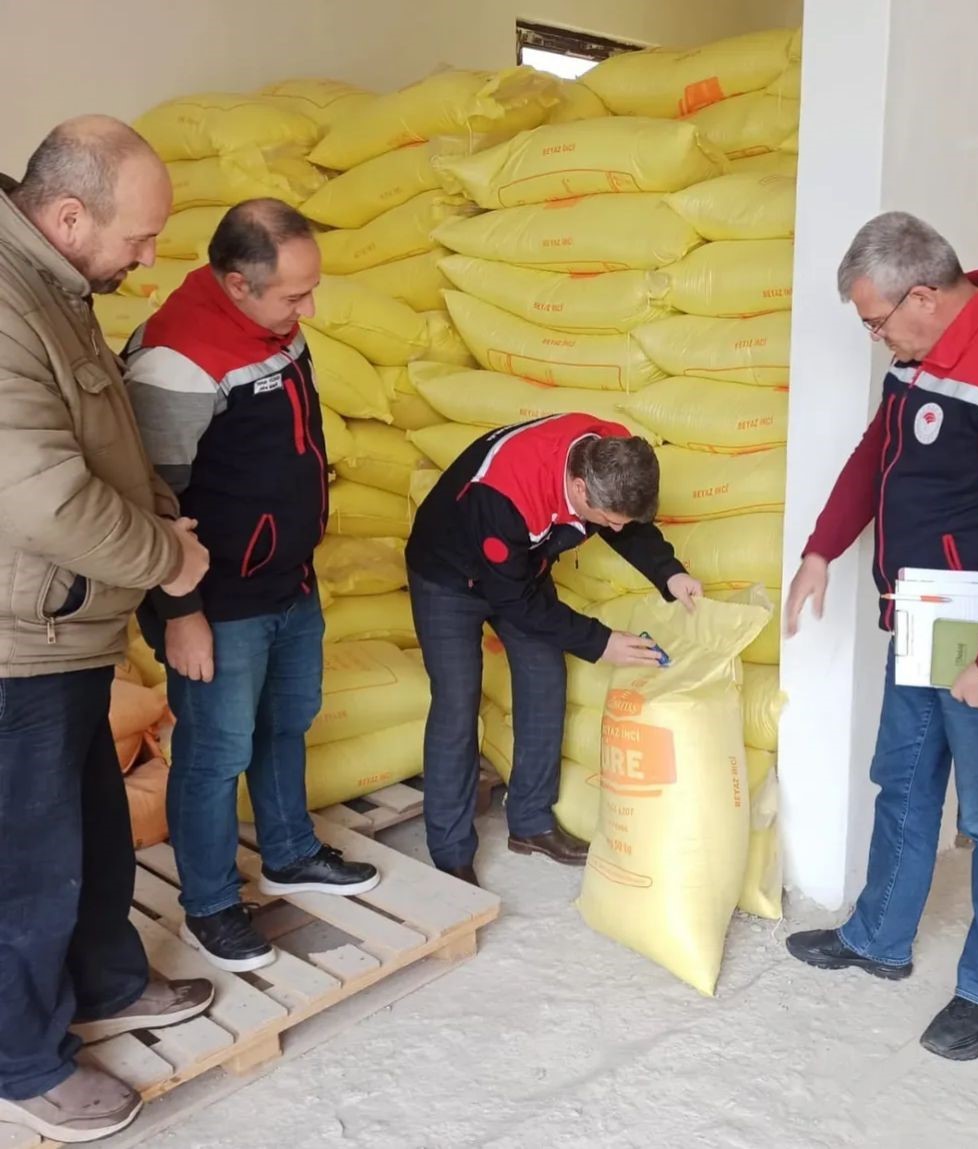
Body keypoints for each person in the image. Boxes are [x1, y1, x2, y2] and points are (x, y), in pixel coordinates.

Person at [784, 212, 978, 1061]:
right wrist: (820, 550)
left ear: (923, 295)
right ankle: (878, 936)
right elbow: (873, 453)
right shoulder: (919, 359)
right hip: (919, 614)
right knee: (905, 781)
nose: (877, 340)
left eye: (877, 321)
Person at [0, 118, 214, 1144]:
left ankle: (107, 984)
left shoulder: (59, 285)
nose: (150, 256)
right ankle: (25, 1060)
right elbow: (36, 493)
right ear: (70, 214)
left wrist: (156, 515)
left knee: (88, 833)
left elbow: (95, 443)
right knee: (26, 863)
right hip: (18, 645)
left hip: (71, 628)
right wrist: (168, 558)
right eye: (140, 237)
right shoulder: (5, 297)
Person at [122, 199, 378, 976]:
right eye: (293, 296)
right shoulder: (177, 358)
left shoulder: (272, 325)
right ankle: (208, 905)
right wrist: (181, 614)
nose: (309, 310)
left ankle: (290, 853)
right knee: (213, 751)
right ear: (236, 283)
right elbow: (149, 504)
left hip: (287, 579)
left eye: (311, 290)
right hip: (218, 603)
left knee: (287, 721)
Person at [406, 416, 704, 886]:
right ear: (581, 489)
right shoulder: (503, 495)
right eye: (605, 520)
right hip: (449, 575)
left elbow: (626, 524)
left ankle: (531, 822)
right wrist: (601, 642)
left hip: (518, 568)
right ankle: (451, 853)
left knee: (545, 675)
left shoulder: (609, 448)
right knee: (457, 703)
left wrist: (670, 573)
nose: (611, 527)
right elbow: (515, 603)